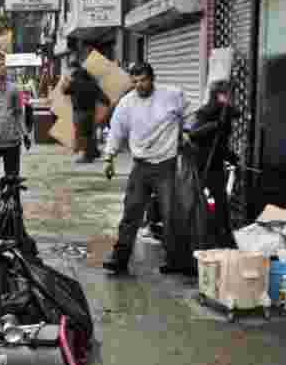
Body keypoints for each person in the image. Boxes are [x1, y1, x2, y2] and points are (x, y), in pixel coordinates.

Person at [102, 62, 191, 275]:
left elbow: (190, 112)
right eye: (135, 82)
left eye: (143, 80)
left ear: (152, 78)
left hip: (166, 165)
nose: (139, 85)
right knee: (131, 213)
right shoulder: (126, 104)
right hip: (141, 166)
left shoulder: (172, 95)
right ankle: (119, 259)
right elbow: (116, 131)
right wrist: (109, 158)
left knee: (171, 214)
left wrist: (186, 130)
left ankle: (175, 261)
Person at [186, 81, 239, 248]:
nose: (229, 98)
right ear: (217, 95)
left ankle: (222, 238)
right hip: (201, 163)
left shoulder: (227, 113)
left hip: (216, 163)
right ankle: (197, 236)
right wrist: (214, 126)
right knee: (198, 201)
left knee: (221, 203)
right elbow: (193, 135)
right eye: (225, 94)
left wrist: (231, 157)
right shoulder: (205, 113)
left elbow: (221, 144)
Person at [60, 61, 110, 163]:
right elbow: (104, 99)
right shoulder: (92, 83)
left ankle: (86, 157)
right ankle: (94, 152)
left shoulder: (74, 83)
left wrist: (64, 80)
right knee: (90, 134)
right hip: (91, 112)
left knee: (83, 135)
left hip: (79, 112)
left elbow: (64, 91)